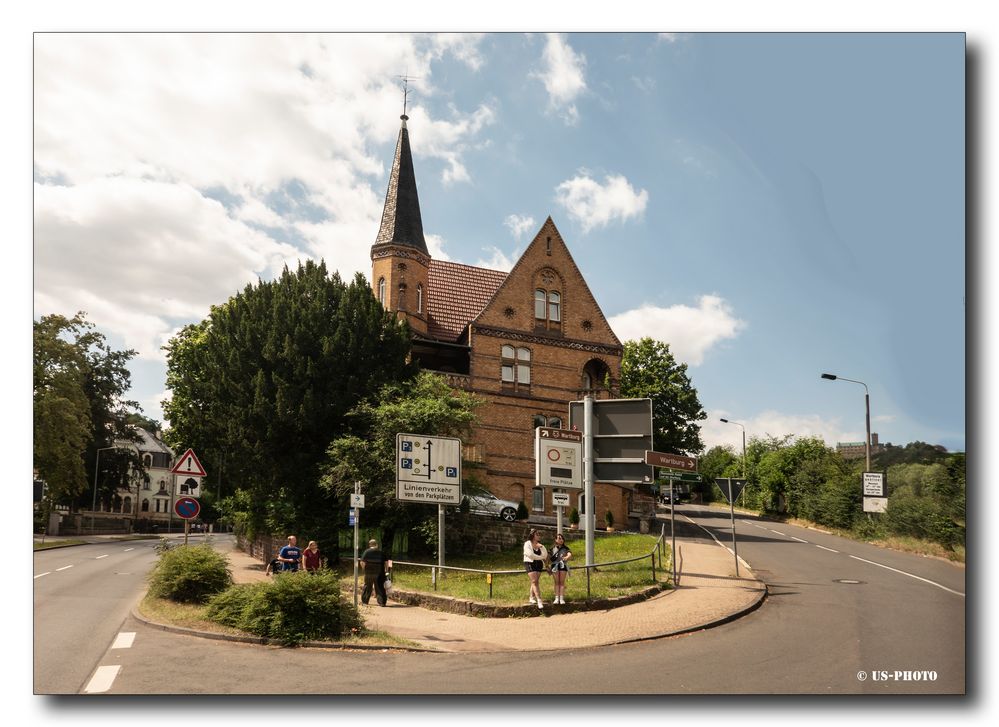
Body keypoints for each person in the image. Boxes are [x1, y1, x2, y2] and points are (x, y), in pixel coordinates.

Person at [360, 539, 392, 606]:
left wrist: (364, 569)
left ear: (370, 545)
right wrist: (386, 571)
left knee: (367, 586)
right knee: (380, 587)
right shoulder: (381, 552)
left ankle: (365, 602)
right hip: (380, 572)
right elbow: (386, 562)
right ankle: (382, 602)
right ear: (376, 544)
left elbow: (362, 562)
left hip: (369, 572)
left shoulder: (367, 552)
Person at [523, 529, 548, 610]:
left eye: (539, 534)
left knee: (534, 581)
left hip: (538, 564)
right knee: (535, 581)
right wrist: (540, 557)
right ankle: (539, 600)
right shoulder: (527, 543)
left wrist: (544, 562)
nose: (539, 535)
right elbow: (530, 555)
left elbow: (545, 555)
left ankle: (531, 597)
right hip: (530, 563)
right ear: (533, 535)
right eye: (537, 534)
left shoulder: (541, 545)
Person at [548, 532, 572, 604]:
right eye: (559, 538)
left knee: (562, 582)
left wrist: (566, 557)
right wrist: (547, 566)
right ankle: (556, 598)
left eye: (562, 538)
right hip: (554, 565)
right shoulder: (552, 548)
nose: (561, 540)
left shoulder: (566, 548)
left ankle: (561, 598)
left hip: (562, 565)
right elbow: (548, 557)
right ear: (555, 540)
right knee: (556, 582)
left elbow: (569, 554)